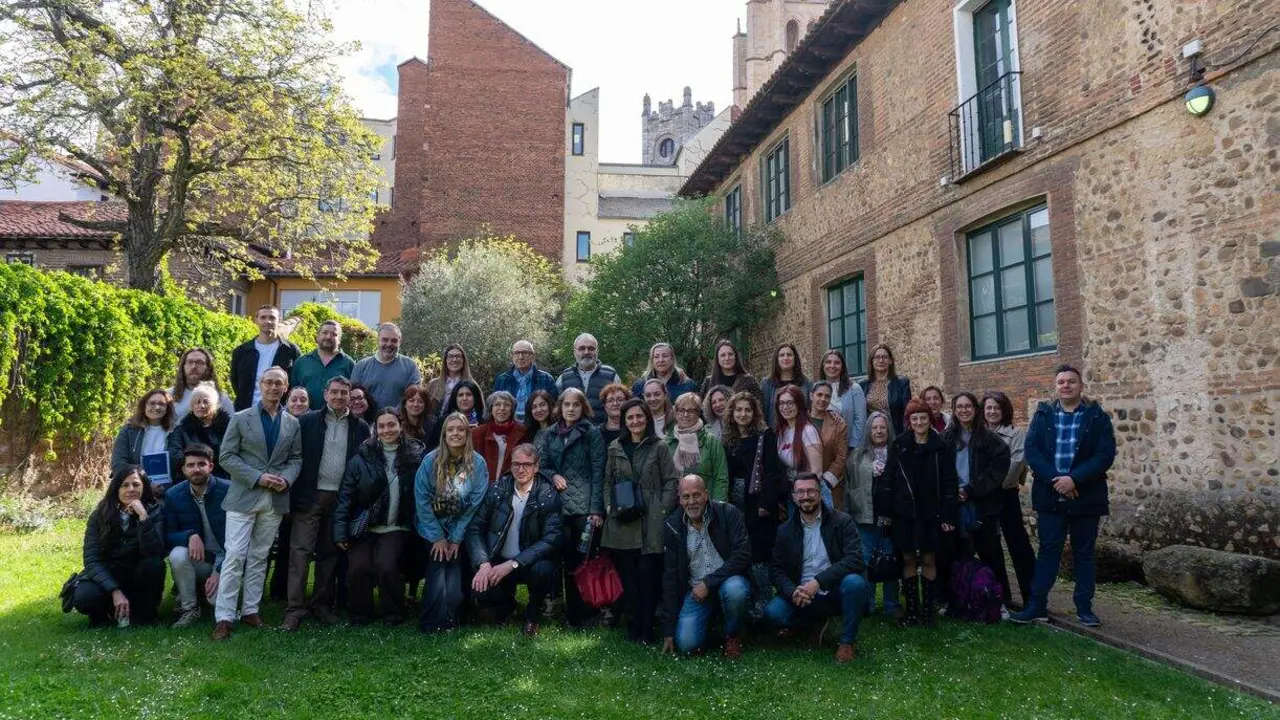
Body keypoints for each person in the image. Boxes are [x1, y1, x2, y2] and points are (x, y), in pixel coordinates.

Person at [1010, 365, 1115, 627]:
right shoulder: (1044, 414)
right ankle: (1036, 606)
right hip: (1051, 495)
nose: (1065, 386)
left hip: (1086, 496)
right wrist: (1058, 480)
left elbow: (1104, 455)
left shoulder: (1096, 417)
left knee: (1084, 554)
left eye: (1071, 382)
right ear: (1055, 387)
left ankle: (1084, 608)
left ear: (1080, 386)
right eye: (1061, 382)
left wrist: (1074, 479)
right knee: (1048, 551)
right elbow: (1032, 451)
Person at [212, 366, 303, 640]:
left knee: (259, 556)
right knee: (235, 556)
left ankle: (251, 609)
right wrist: (257, 477)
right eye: (269, 383)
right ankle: (224, 616)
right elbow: (226, 456)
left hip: (275, 499)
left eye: (279, 384)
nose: (274, 388)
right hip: (244, 496)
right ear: (261, 385)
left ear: (286, 388)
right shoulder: (241, 418)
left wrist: (286, 480)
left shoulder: (292, 423)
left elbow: (296, 459)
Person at [282, 376, 370, 631]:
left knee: (329, 554)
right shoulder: (307, 421)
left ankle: (321, 605)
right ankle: (294, 609)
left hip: (341, 497)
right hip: (311, 495)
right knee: (300, 553)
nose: (339, 397)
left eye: (344, 393)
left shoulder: (360, 427)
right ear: (325, 394)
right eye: (335, 392)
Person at [333, 407, 426, 626]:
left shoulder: (415, 458)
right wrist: (340, 533)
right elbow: (345, 497)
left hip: (396, 527)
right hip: (364, 528)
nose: (387, 430)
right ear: (375, 429)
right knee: (359, 568)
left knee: (387, 566)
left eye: (391, 424)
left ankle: (393, 613)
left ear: (400, 425)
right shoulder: (361, 459)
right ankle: (360, 614)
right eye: (381, 426)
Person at [765, 472, 869, 664]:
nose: (806, 496)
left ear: (820, 493)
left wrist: (818, 582)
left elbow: (855, 559)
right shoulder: (785, 530)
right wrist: (792, 591)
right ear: (794, 497)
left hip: (833, 591)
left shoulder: (842, 521)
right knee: (773, 612)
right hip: (801, 595)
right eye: (800, 492)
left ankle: (846, 642)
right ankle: (814, 622)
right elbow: (776, 570)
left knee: (855, 583)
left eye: (811, 491)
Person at [602, 399, 678, 644]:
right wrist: (609, 506)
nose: (635, 421)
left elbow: (671, 480)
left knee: (648, 577)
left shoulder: (660, 447)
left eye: (639, 417)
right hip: (623, 521)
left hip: (650, 521)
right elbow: (606, 481)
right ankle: (632, 627)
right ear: (624, 421)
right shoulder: (615, 446)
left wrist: (663, 509)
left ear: (647, 419)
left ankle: (647, 629)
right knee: (629, 580)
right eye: (630, 417)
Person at [467, 443, 563, 636]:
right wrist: (484, 564)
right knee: (482, 590)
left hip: (529, 562)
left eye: (527, 464)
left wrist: (514, 563)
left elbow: (552, 539)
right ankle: (505, 605)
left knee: (543, 570)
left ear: (537, 467)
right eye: (516, 464)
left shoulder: (548, 495)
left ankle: (532, 614)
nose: (521, 469)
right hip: (499, 559)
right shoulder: (496, 490)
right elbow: (475, 528)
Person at [878, 398, 958, 628]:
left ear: (929, 419)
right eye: (915, 418)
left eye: (923, 417)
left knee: (930, 558)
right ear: (909, 421)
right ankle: (912, 610)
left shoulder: (940, 446)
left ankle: (927, 611)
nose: (919, 422)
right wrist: (886, 513)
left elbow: (950, 482)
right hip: (905, 512)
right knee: (908, 557)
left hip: (932, 512)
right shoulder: (900, 445)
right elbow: (888, 480)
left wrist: (948, 514)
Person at [534, 387, 606, 629]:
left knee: (583, 561)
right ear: (560, 408)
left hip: (583, 508)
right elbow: (541, 464)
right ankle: (570, 613)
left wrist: (596, 509)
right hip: (558, 505)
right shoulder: (550, 434)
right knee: (564, 561)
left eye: (576, 405)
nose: (571, 409)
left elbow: (599, 472)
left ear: (583, 407)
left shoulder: (591, 433)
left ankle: (587, 612)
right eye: (567, 405)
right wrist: (552, 474)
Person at [661, 474, 752, 658]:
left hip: (727, 581)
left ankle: (732, 634)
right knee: (686, 645)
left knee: (736, 591)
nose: (692, 502)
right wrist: (669, 630)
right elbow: (670, 579)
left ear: (706, 495)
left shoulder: (728, 513)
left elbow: (743, 555)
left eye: (696, 495)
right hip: (695, 590)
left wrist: (708, 583)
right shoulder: (672, 526)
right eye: (686, 497)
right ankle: (713, 629)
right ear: (679, 500)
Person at [414, 412, 489, 633]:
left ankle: (450, 619)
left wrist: (455, 539)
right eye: (451, 430)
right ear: (444, 435)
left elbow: (474, 505)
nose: (455, 433)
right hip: (431, 527)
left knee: (454, 577)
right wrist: (438, 537)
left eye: (460, 430)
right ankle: (431, 623)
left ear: (467, 434)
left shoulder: (478, 464)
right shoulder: (430, 461)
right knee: (438, 567)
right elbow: (422, 500)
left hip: (460, 528)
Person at [942, 392, 1012, 613]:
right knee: (954, 554)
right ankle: (957, 599)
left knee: (990, 552)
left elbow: (997, 469)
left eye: (968, 406)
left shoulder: (990, 440)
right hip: (954, 504)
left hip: (981, 505)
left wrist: (971, 490)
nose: (964, 410)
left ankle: (1001, 600)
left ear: (975, 409)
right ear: (953, 410)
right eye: (959, 406)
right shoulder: (946, 438)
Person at [73, 466, 167, 627]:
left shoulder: (154, 511)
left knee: (154, 565)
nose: (131, 489)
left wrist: (143, 518)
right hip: (109, 574)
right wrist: (114, 590)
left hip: (137, 574)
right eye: (125, 485)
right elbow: (92, 560)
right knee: (85, 596)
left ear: (144, 487)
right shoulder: (99, 515)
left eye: (136, 485)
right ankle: (102, 614)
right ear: (116, 488)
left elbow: (155, 553)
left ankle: (145, 614)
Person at [721, 391, 787, 617]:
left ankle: (764, 604)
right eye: (738, 409)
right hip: (735, 501)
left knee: (760, 553)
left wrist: (766, 504)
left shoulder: (764, 435)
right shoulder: (727, 438)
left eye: (747, 410)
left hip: (759, 501)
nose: (743, 414)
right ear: (732, 412)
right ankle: (745, 604)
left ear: (754, 412)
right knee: (739, 549)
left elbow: (773, 472)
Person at [163, 444, 230, 627]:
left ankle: (207, 592)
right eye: (191, 465)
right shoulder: (173, 495)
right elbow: (168, 534)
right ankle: (189, 608)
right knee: (177, 554)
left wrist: (220, 571)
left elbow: (242, 539)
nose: (196, 469)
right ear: (184, 469)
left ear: (211, 466)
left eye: (201, 464)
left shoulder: (229, 490)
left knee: (217, 603)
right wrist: (189, 536)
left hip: (230, 560)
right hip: (202, 559)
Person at [984, 391, 1036, 607]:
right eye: (988, 408)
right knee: (991, 547)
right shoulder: (979, 434)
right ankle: (1001, 596)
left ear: (1004, 410)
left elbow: (1015, 465)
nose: (992, 411)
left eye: (997, 407)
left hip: (1005, 494)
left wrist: (987, 484)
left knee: (1018, 544)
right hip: (984, 498)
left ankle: (1032, 598)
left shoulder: (1015, 435)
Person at [846, 412, 900, 617]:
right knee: (865, 562)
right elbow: (850, 485)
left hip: (890, 518)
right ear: (869, 430)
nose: (878, 431)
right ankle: (865, 604)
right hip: (865, 517)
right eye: (875, 428)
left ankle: (891, 604)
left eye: (882, 428)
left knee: (890, 560)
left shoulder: (897, 452)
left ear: (888, 430)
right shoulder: (857, 455)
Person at [230, 305, 301, 411]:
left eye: (272, 318)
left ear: (279, 320)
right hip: (246, 411)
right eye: (263, 317)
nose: (267, 321)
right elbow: (235, 381)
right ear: (256, 320)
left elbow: (296, 382)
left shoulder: (291, 350)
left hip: (279, 412)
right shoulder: (241, 352)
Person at [666, 392, 730, 501]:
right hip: (673, 505)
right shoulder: (667, 441)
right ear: (675, 412)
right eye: (681, 410)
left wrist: (717, 507)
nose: (685, 415)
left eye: (691, 411)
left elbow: (721, 478)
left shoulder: (710, 441)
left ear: (698, 413)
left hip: (705, 504)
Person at [111, 389, 176, 494]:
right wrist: (146, 485)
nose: (156, 407)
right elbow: (118, 463)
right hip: (136, 489)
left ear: (167, 409)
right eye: (152, 403)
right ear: (144, 406)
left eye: (162, 404)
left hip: (169, 490)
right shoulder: (129, 430)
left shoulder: (175, 431)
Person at [351, 323, 422, 412]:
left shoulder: (410, 366)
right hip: (367, 423)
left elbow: (414, 397)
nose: (389, 344)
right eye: (385, 340)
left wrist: (392, 416)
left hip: (399, 422)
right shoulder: (361, 366)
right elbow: (353, 398)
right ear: (378, 340)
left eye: (394, 341)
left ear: (400, 342)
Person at [168, 382, 232, 479]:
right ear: (192, 406)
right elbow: (175, 455)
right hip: (191, 478)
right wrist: (196, 466)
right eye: (197, 402)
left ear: (215, 405)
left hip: (224, 477)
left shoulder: (230, 426)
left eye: (206, 402)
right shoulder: (181, 430)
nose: (201, 406)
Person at [291, 320, 356, 411]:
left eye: (334, 334)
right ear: (317, 336)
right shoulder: (301, 362)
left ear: (339, 339)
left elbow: (352, 393)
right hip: (305, 418)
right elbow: (293, 391)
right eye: (325, 333)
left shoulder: (349, 363)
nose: (328, 337)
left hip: (337, 418)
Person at [556, 333, 619, 424]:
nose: (586, 352)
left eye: (591, 348)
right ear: (574, 352)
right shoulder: (564, 377)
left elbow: (620, 406)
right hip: (572, 434)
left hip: (603, 434)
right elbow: (558, 410)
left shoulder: (611, 375)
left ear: (597, 351)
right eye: (582, 348)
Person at [493, 339, 558, 423]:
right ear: (512, 356)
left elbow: (554, 407)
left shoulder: (546, 378)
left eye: (525, 353)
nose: (521, 357)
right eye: (517, 353)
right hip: (509, 429)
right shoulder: (502, 379)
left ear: (533, 356)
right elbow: (496, 407)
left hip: (537, 428)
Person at [809, 382, 849, 510]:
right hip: (803, 484)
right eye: (819, 395)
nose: (823, 399)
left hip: (829, 485)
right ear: (811, 396)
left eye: (827, 396)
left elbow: (841, 457)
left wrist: (824, 482)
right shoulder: (800, 419)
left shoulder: (839, 424)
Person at [472, 391, 526, 484]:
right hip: (483, 486)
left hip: (511, 486)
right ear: (490, 409)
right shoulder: (478, 433)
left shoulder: (522, 432)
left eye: (507, 405)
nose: (502, 408)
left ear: (512, 410)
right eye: (497, 404)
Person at [775, 385, 823, 486]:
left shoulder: (808, 431)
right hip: (789, 491)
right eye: (781, 403)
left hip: (805, 492)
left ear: (799, 404)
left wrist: (804, 493)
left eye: (790, 403)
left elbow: (817, 471)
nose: (785, 407)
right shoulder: (783, 431)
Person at [819, 349, 867, 449]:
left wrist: (851, 447)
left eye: (837, 363)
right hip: (822, 448)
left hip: (848, 447)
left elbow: (860, 421)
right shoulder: (816, 390)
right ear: (823, 366)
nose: (832, 366)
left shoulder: (854, 389)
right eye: (828, 362)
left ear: (842, 367)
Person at [859, 343, 912, 436]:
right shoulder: (862, 385)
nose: (881, 360)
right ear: (871, 361)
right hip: (871, 434)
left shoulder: (901, 383)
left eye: (884, 357)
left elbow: (907, 412)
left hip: (895, 433)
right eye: (877, 357)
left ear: (890, 361)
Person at [170, 347, 234, 420]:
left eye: (200, 362)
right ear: (183, 366)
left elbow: (233, 427)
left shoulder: (221, 399)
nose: (194, 367)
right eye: (190, 362)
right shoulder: (168, 396)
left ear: (208, 368)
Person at [760, 343, 812, 426]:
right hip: (775, 434)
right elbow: (763, 413)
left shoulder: (806, 383)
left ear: (795, 359)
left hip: (800, 432)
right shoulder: (767, 384)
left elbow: (811, 409)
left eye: (789, 355)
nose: (785, 358)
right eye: (781, 355)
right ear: (776, 360)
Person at [699, 339, 762, 405]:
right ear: (717, 359)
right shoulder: (708, 382)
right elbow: (701, 409)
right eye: (723, 355)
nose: (727, 358)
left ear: (735, 356)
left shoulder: (748, 380)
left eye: (730, 354)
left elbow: (759, 407)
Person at [630, 342, 697, 401]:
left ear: (672, 359)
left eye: (665, 356)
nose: (661, 360)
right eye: (656, 356)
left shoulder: (687, 385)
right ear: (652, 361)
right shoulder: (640, 385)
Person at [426, 343, 473, 418]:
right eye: (450, 356)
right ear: (445, 360)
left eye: (458, 356)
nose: (454, 360)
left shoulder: (472, 386)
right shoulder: (433, 384)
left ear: (464, 360)